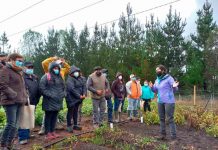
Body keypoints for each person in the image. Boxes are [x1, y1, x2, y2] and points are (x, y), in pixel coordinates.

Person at [0, 53, 28, 149]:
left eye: (21, 61)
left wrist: (25, 97)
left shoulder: (18, 71)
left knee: (15, 125)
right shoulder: (5, 70)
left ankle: (9, 144)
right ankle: (3, 144)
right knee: (11, 123)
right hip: (10, 101)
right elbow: (3, 85)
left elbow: (22, 87)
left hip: (19, 101)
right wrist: (13, 95)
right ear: (11, 60)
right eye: (19, 60)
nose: (21, 63)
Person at [38, 56, 70, 135]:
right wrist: (54, 59)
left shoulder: (61, 73)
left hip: (58, 99)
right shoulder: (47, 75)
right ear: (52, 67)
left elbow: (64, 86)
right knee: (48, 116)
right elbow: (42, 88)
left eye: (57, 67)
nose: (56, 69)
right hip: (50, 99)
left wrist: (63, 94)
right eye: (55, 67)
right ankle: (46, 131)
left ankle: (53, 131)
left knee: (55, 116)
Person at [149, 65, 179, 140]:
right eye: (156, 70)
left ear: (162, 71)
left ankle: (173, 136)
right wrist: (152, 87)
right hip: (160, 101)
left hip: (169, 101)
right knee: (161, 118)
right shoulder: (157, 80)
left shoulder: (169, 78)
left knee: (170, 119)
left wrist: (175, 86)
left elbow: (175, 88)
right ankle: (162, 135)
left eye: (158, 70)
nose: (157, 72)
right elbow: (156, 90)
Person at [18, 62, 41, 145]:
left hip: (34, 101)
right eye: (28, 67)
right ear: (24, 68)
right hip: (25, 101)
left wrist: (38, 98)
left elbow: (37, 88)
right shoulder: (21, 77)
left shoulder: (35, 77)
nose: (30, 68)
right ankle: (22, 138)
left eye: (32, 67)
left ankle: (27, 134)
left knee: (30, 118)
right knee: (24, 119)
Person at [66, 65, 86, 133]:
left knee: (76, 111)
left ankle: (75, 124)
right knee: (70, 111)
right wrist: (79, 96)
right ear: (72, 72)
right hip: (71, 98)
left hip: (78, 98)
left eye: (77, 71)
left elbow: (84, 86)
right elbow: (72, 89)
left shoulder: (80, 78)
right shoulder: (69, 79)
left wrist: (84, 94)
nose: (77, 73)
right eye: (75, 71)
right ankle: (69, 125)